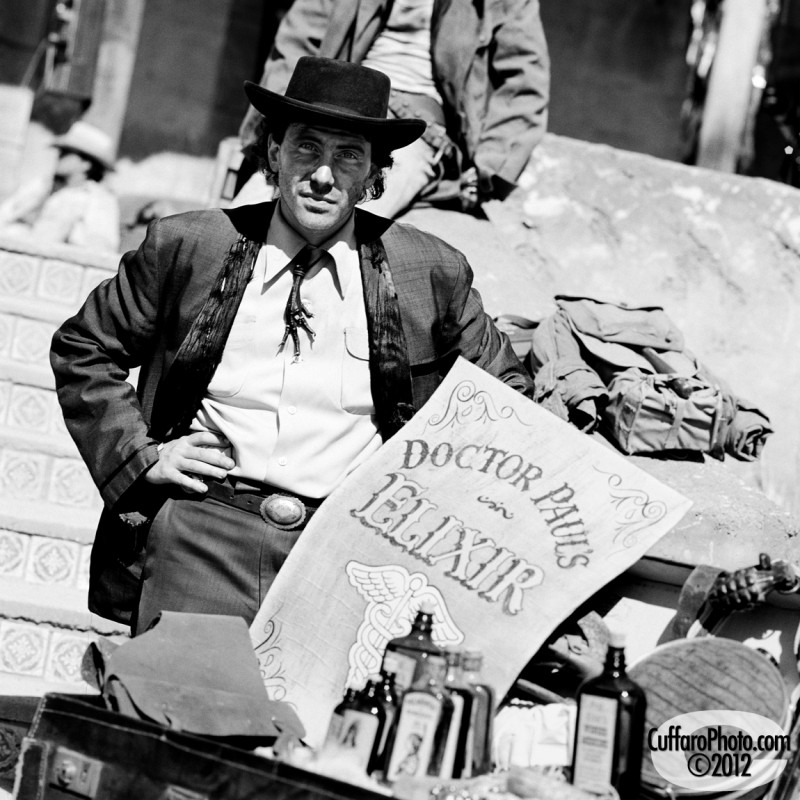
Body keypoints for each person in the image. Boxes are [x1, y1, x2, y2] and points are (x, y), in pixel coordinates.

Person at [51, 57, 533, 636]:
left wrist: (428, 497)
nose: (324, 175)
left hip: (345, 552)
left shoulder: (429, 270)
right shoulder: (190, 246)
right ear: (274, 154)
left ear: (374, 173)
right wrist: (142, 456)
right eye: (307, 148)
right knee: (181, 712)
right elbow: (85, 348)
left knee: (315, 726)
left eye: (349, 155)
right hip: (203, 530)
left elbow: (505, 394)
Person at [233, 0, 550, 217]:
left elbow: (525, 80)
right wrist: (273, 128)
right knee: (247, 216)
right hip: (332, 109)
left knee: (345, 219)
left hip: (416, 127)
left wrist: (489, 166)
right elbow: (297, 43)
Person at [0, 120, 120, 252]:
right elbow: (6, 215)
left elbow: (101, 248)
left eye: (67, 153)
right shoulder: (41, 186)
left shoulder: (98, 200)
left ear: (86, 164)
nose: (59, 157)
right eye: (62, 152)